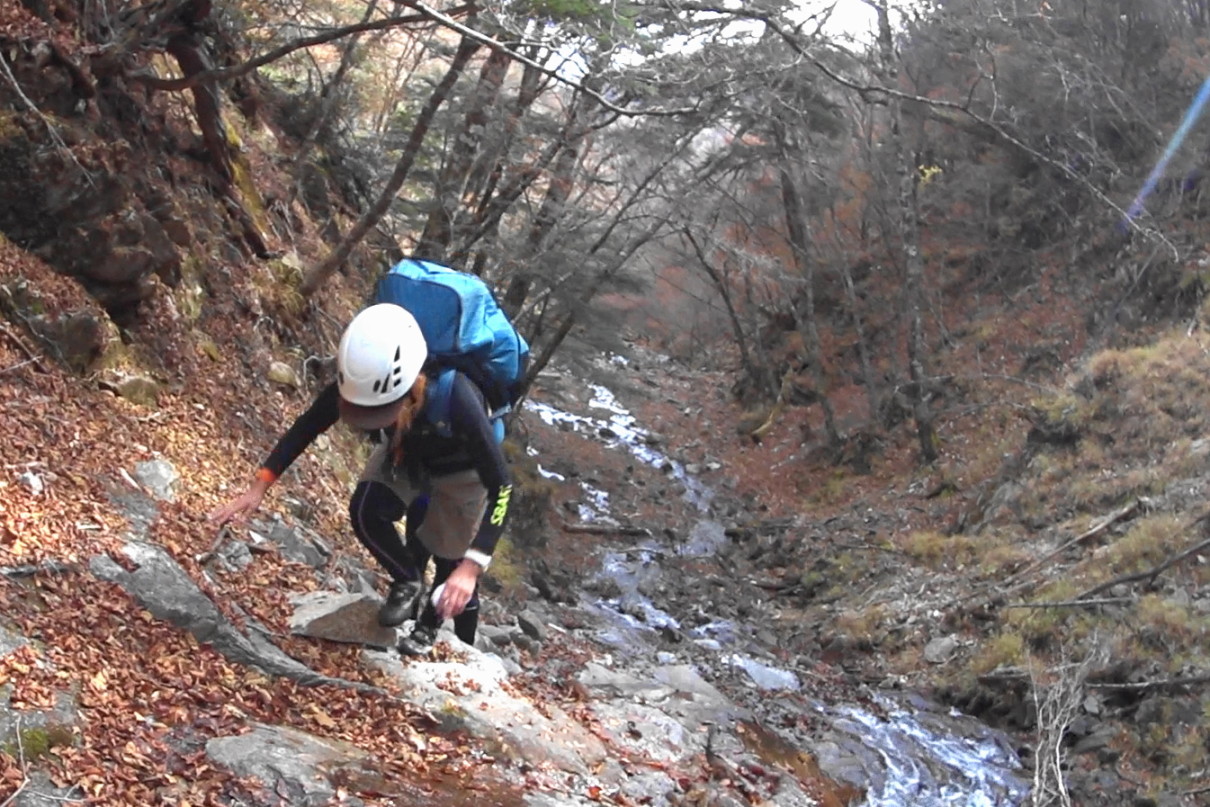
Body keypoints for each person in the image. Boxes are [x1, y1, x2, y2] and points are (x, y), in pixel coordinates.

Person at [209, 303, 513, 655]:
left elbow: (502, 486)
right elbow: (306, 427)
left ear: (409, 389)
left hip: (461, 470)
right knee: (366, 509)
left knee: (449, 562)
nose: (373, 419)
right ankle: (407, 580)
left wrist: (472, 567)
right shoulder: (358, 380)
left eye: (380, 411)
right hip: (404, 451)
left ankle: (442, 637)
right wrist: (259, 486)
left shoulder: (456, 396)